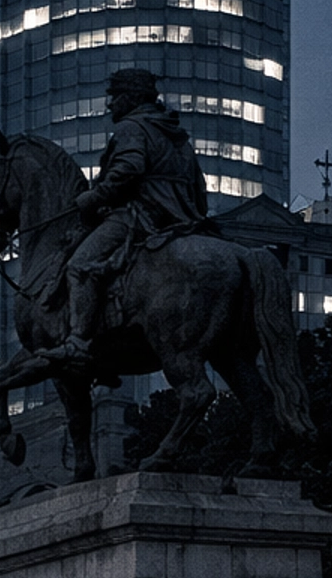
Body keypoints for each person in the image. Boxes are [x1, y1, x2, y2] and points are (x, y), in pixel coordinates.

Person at [42, 68, 209, 367]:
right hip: (183, 221)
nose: (110, 105)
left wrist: (93, 197)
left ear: (130, 98)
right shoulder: (177, 137)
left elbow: (128, 169)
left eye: (115, 97)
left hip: (140, 217)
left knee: (79, 266)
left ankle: (79, 341)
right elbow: (200, 190)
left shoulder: (133, 128)